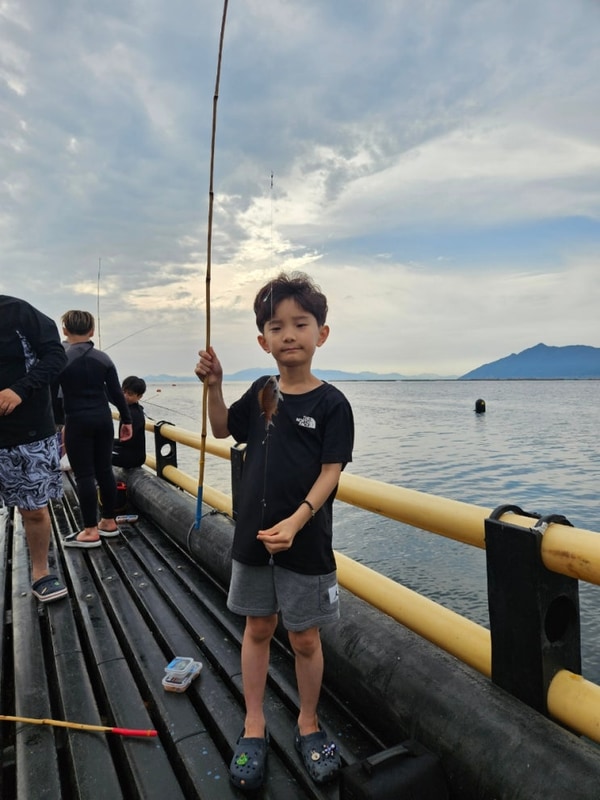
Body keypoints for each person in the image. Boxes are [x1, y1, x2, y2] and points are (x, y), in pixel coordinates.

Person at [195, 272, 354, 790]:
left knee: (305, 636)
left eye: (300, 324)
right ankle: (254, 722)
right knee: (258, 629)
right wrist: (214, 386)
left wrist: (297, 519)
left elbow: (331, 472)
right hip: (253, 540)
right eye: (276, 326)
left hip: (305, 540)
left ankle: (307, 723)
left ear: (321, 334)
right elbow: (222, 429)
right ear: (263, 341)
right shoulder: (262, 392)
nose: (289, 334)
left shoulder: (333, 404)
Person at [0, 295, 68, 602]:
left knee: (35, 510)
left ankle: (41, 570)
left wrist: (19, 389)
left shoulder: (18, 312)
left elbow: (55, 356)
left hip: (28, 433)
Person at [58, 310, 132, 548]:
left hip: (77, 420)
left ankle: (90, 530)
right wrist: (127, 421)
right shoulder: (104, 359)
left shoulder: (61, 358)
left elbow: (52, 398)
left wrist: (56, 424)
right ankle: (108, 522)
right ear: (92, 331)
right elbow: (116, 395)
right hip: (103, 420)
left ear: (65, 331)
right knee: (104, 471)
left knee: (84, 475)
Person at [112, 375, 147, 468]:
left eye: (130, 394)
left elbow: (125, 441)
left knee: (98, 452)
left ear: (139, 396)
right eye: (123, 392)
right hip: (127, 451)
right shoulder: (128, 409)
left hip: (133, 457)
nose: (125, 396)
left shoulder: (134, 414)